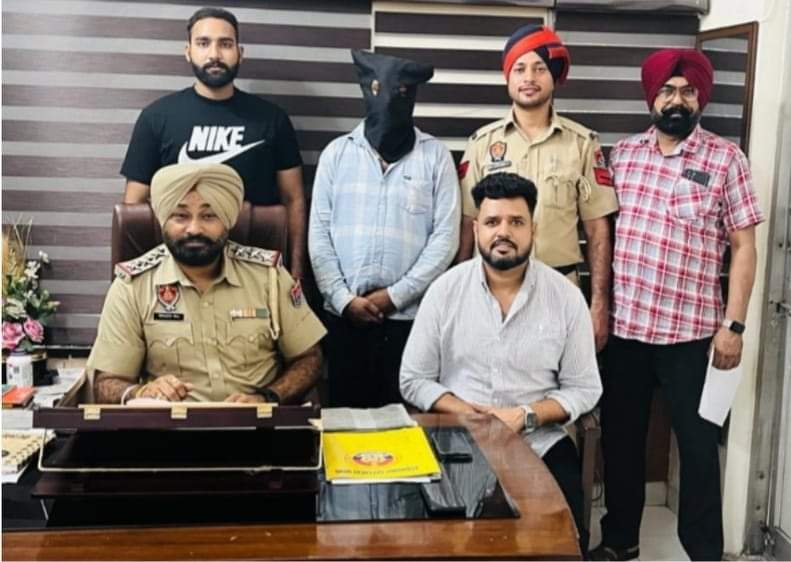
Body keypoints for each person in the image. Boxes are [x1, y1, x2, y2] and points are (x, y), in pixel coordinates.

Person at [590, 49, 764, 562]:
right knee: (621, 442)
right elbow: (601, 234)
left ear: (700, 97)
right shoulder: (622, 156)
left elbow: (745, 246)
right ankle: (620, 541)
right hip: (626, 331)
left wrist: (734, 325)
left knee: (698, 448)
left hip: (693, 337)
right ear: (652, 96)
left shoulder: (726, 160)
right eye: (667, 90)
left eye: (688, 91)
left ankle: (705, 552)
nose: (677, 100)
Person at [400, 172, 601, 553]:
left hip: (538, 443)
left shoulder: (565, 298)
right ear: (476, 229)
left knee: (563, 544)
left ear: (533, 229)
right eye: (492, 222)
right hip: (455, 440)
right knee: (438, 544)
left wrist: (524, 416)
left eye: (516, 222)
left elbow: (585, 388)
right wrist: (468, 414)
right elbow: (413, 378)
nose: (503, 232)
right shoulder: (445, 291)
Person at [88, 163, 326, 404]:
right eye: (180, 216)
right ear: (163, 220)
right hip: (171, 425)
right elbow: (106, 383)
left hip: (257, 422)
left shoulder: (269, 277)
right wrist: (141, 393)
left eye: (209, 216)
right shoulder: (131, 286)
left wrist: (267, 398)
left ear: (227, 220)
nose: (194, 229)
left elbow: (310, 358)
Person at [309, 49, 460, 408]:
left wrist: (395, 296)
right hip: (343, 319)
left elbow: (445, 238)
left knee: (405, 423)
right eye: (378, 91)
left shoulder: (436, 157)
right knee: (345, 424)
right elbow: (319, 235)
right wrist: (344, 299)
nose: (389, 103)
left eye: (400, 93)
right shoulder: (336, 154)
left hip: (409, 321)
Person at [456, 24, 618, 351]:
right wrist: (458, 294)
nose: (529, 77)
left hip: (559, 292)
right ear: (508, 78)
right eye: (519, 69)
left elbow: (597, 230)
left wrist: (599, 304)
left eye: (539, 68)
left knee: (558, 379)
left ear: (554, 77)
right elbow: (466, 224)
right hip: (490, 293)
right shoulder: (481, 144)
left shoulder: (581, 144)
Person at [120, 7, 308, 279]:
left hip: (255, 273)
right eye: (203, 43)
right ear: (188, 51)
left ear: (240, 52)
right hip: (177, 273)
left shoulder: (272, 119)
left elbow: (294, 200)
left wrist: (296, 273)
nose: (215, 54)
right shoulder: (156, 118)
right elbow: (134, 207)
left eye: (225, 44)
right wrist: (136, 281)